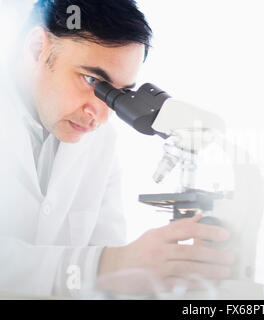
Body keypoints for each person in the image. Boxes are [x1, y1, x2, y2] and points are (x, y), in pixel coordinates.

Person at [0, 0, 234, 298]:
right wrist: (107, 265)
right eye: (92, 80)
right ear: (37, 49)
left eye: (117, 94)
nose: (99, 112)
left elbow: (108, 279)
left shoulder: (101, 141)